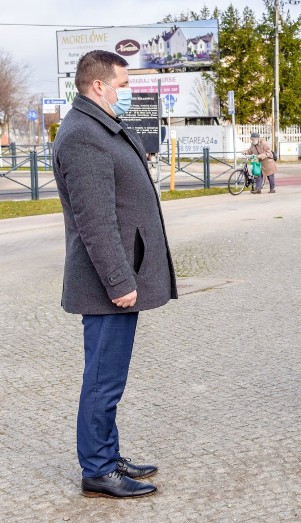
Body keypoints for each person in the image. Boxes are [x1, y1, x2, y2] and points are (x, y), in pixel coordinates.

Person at [52, 50, 178, 498]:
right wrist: (120, 282)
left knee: (109, 377)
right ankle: (98, 470)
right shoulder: (83, 136)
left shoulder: (97, 126)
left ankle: (108, 452)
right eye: (123, 86)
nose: (127, 94)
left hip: (118, 276)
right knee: (103, 380)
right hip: (107, 283)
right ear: (99, 86)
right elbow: (96, 220)